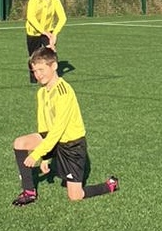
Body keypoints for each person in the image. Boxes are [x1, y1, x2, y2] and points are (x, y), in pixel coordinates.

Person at [10, 46, 118, 206]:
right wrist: (46, 158)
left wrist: (36, 154)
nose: (38, 75)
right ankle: (29, 192)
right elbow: (44, 125)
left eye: (41, 69)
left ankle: (110, 185)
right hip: (53, 138)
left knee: (75, 196)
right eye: (34, 71)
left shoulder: (64, 92)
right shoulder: (42, 92)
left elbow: (58, 130)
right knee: (20, 143)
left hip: (71, 145)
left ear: (53, 66)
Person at [24, 0, 67, 84]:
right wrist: (42, 31)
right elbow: (30, 17)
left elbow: (63, 18)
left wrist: (54, 34)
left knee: (51, 52)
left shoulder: (55, 0)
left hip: (48, 32)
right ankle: (34, 79)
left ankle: (54, 78)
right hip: (33, 32)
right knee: (34, 56)